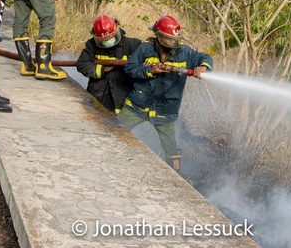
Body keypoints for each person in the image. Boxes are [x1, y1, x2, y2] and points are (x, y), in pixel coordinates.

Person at [117, 15, 213, 171]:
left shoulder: (185, 53)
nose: (172, 42)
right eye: (168, 39)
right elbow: (130, 68)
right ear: (158, 35)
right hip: (137, 105)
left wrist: (204, 66)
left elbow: (205, 57)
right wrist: (149, 70)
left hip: (165, 110)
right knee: (114, 131)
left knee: (171, 152)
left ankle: (175, 179)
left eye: (173, 39)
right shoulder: (145, 48)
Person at [76, 15, 142, 113]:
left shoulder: (133, 44)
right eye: (103, 40)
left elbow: (147, 62)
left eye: (110, 38)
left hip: (124, 94)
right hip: (98, 94)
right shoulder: (92, 45)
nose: (108, 42)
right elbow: (82, 64)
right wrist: (102, 70)